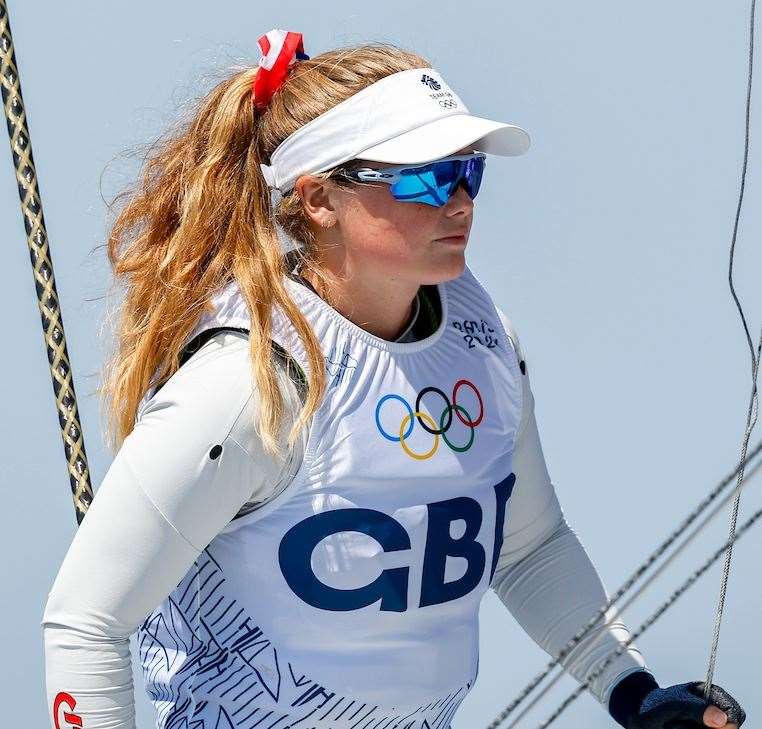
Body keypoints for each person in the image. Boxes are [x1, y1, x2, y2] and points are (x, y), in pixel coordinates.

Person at [42, 29, 746, 729]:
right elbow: (84, 622)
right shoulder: (247, 385)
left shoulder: (485, 341)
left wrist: (634, 694)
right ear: (319, 199)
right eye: (427, 177)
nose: (461, 201)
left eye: (469, 171)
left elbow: (528, 549)